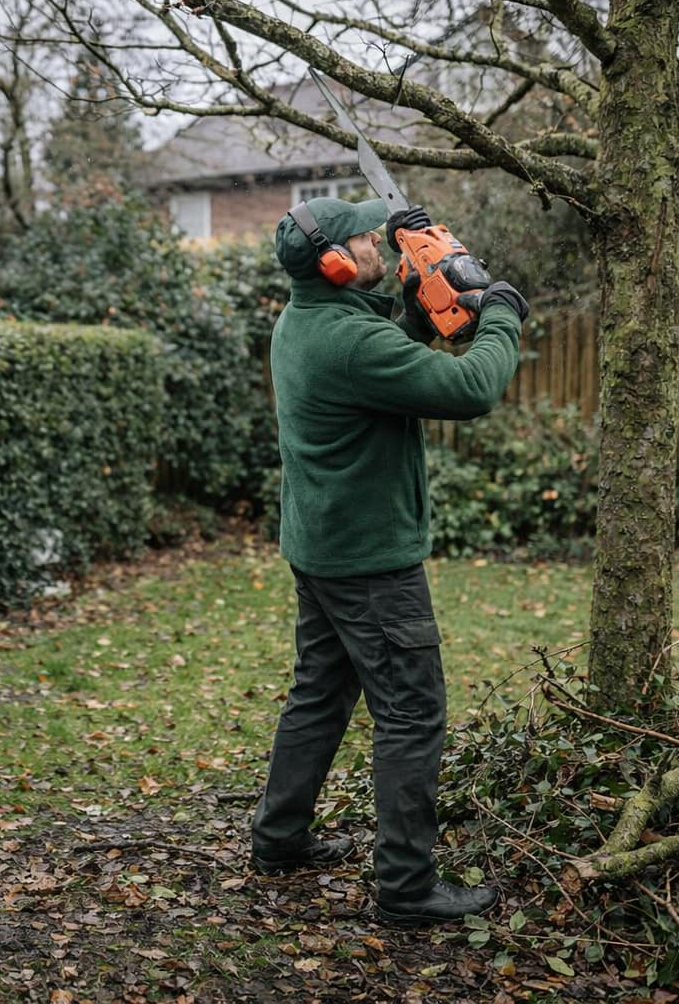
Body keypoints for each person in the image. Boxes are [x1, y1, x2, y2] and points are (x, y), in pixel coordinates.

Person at [250, 196, 528, 927]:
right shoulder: (348, 341)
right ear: (336, 264)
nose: (378, 243)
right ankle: (407, 888)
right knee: (412, 712)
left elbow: (379, 369)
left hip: (322, 547)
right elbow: (472, 389)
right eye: (365, 240)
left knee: (320, 693)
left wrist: (412, 307)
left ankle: (279, 840)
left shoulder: (305, 320)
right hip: (369, 563)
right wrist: (501, 313)